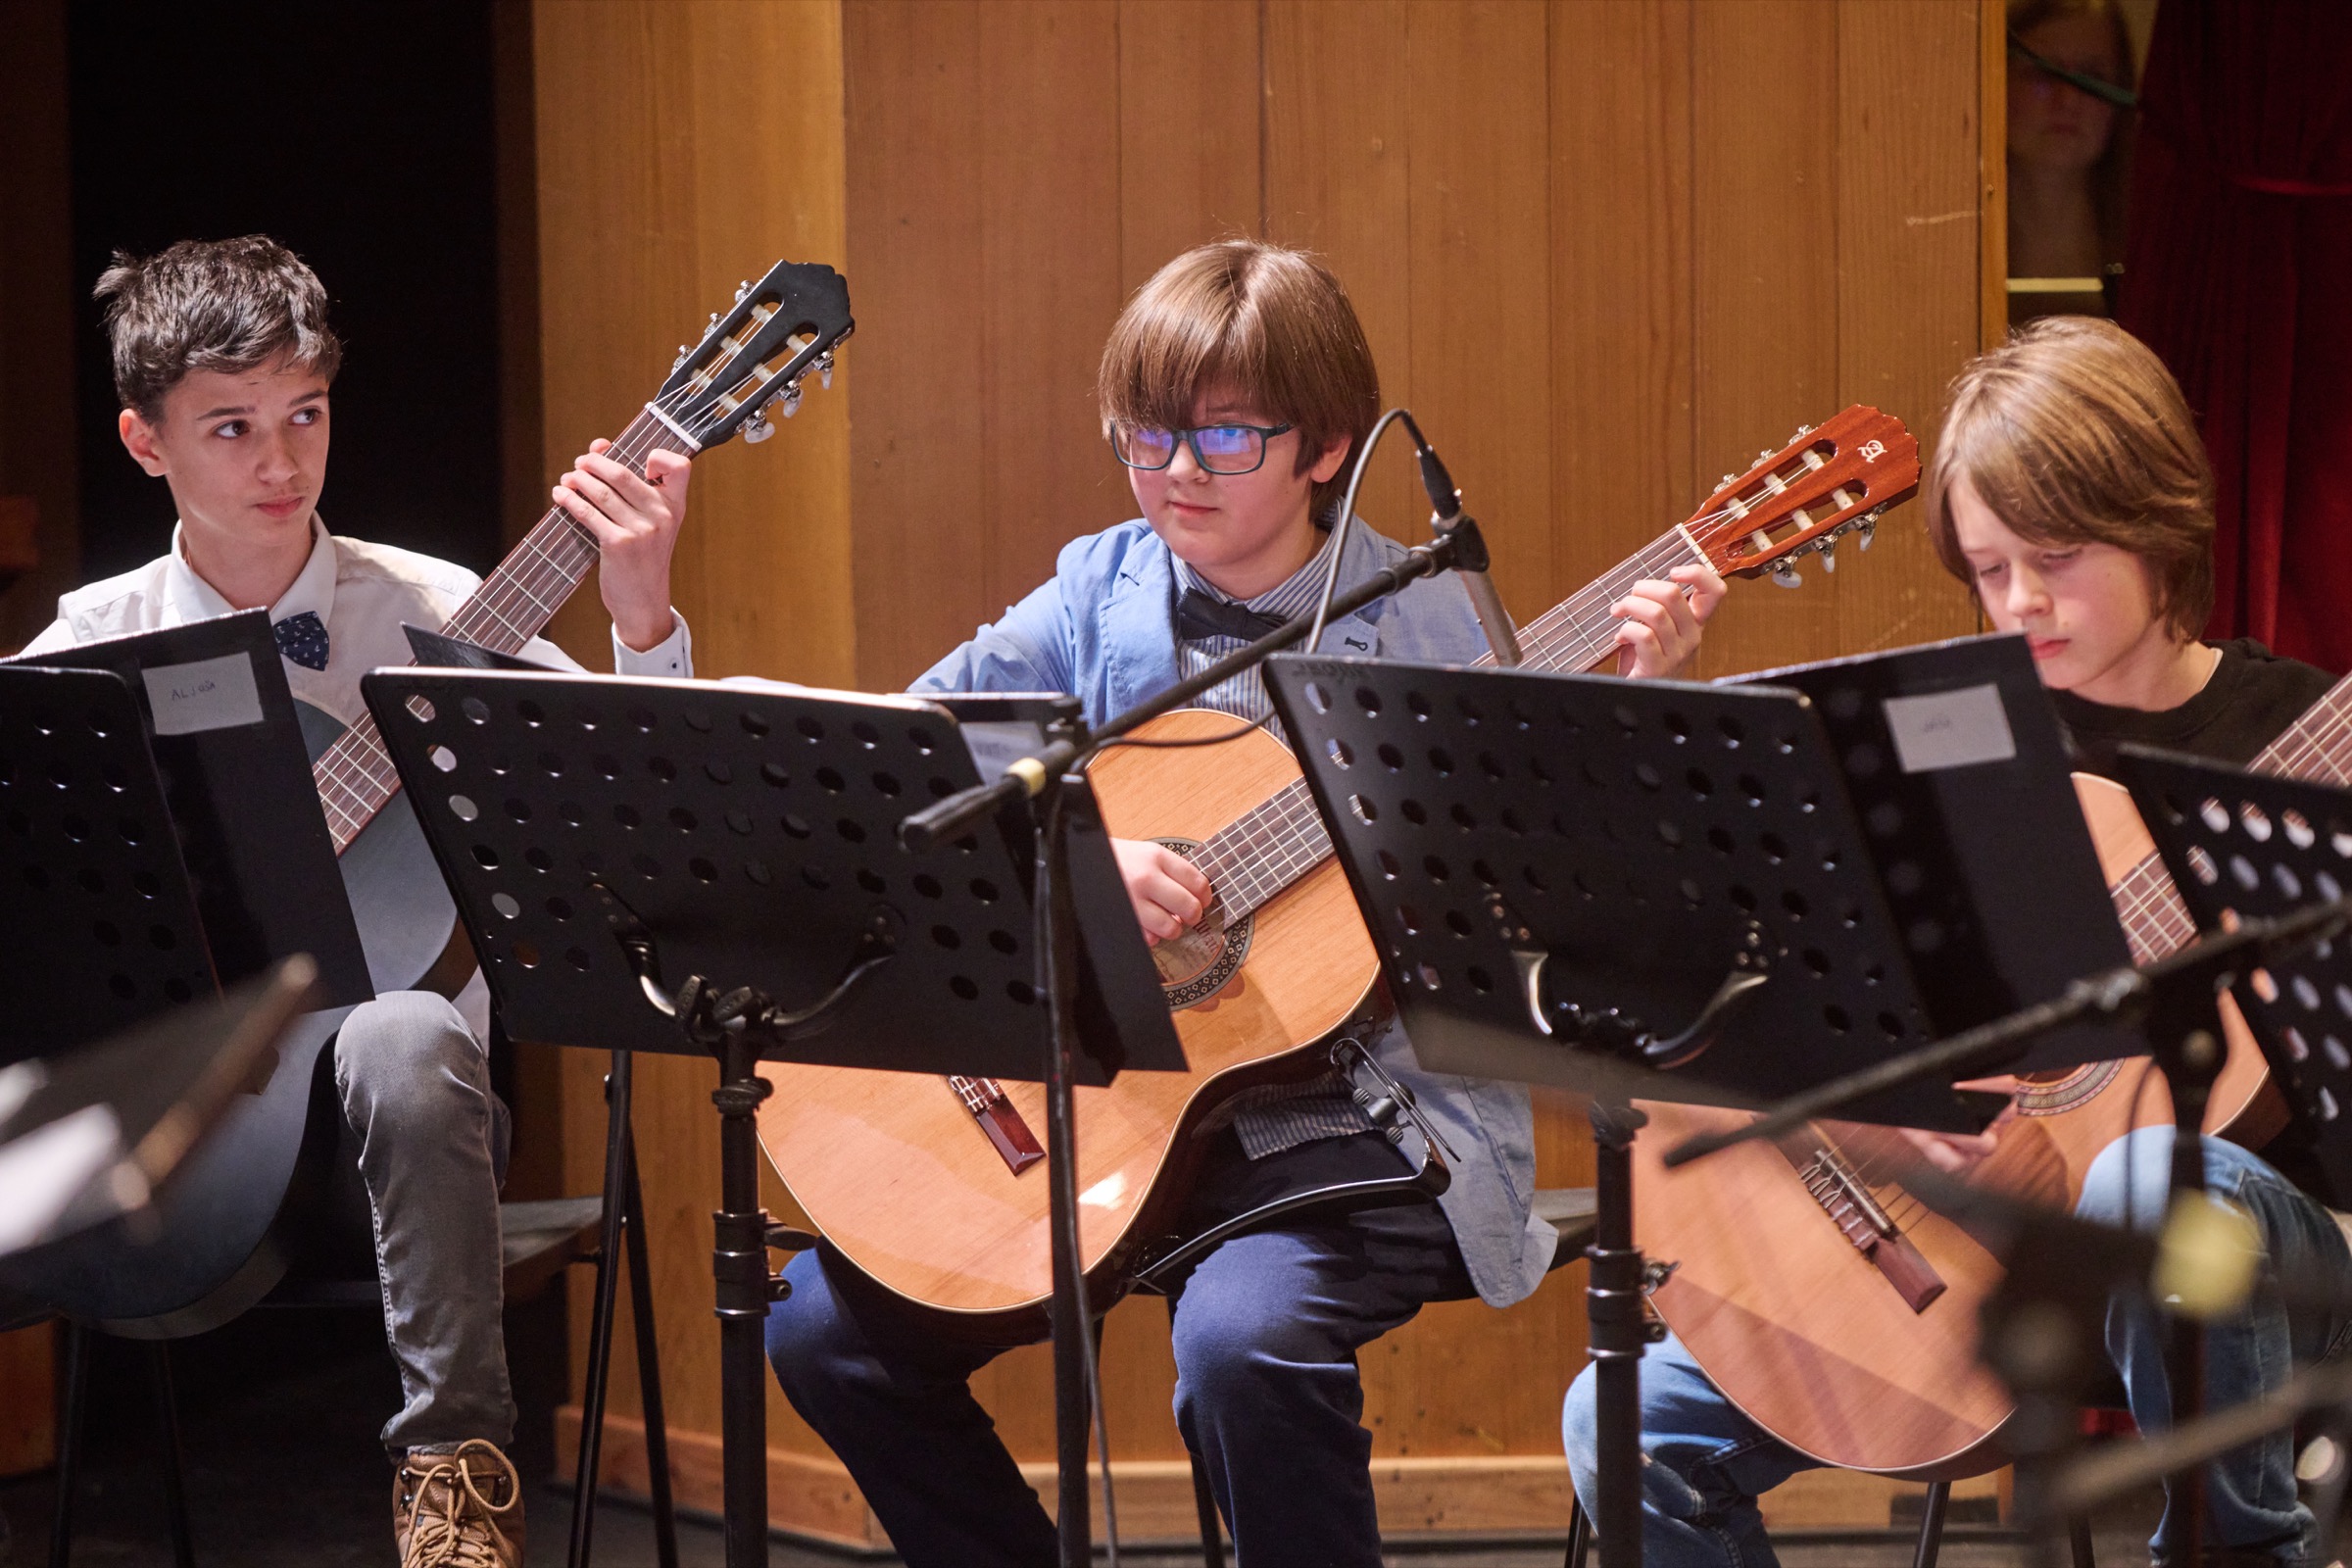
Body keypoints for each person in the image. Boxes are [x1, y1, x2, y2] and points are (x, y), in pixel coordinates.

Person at [759, 238, 1724, 1566]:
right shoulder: (1096, 590)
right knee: (821, 1331)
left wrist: (1639, 710)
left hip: (1362, 1120)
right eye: (1145, 436)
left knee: (1242, 1342)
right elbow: (899, 770)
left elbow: (1579, 909)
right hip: (1115, 1109)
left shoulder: (1437, 624)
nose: (1177, 473)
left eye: (1222, 436)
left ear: (1328, 447)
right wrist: (1077, 856)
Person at [1562, 316, 2349, 1568]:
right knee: (1621, 1428)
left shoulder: (2304, 741)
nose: (2020, 601)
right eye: (1989, 568)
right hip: (1969, 1253)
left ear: (2159, 525)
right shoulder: (1952, 750)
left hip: (2255, 1254)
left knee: (2157, 1179)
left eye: (2057, 557)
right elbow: (1762, 974)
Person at [20, 235, 698, 1568]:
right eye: (232, 427)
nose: (281, 462)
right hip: (171, 1164)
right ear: (146, 442)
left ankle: (457, 1495)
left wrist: (640, 618)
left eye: (306, 414)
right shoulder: (85, 653)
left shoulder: (445, 613)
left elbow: (652, 818)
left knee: (403, 1027)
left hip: (397, 1149)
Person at [2006, 0, 2136, 324]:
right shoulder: (1952, 247)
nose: (2067, 99)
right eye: (2043, 72)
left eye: (2090, 77)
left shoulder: (2152, 246)